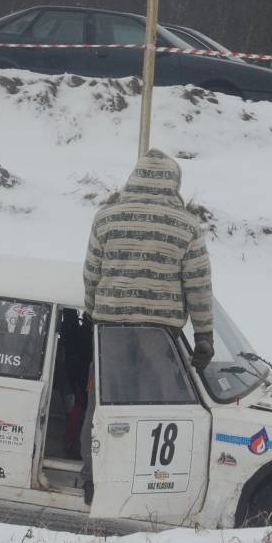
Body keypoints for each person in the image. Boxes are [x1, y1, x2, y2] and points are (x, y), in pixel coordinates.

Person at [80, 148, 215, 504]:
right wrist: (204, 337)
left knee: (103, 408)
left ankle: (94, 481)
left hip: (110, 334)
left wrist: (93, 314)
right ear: (173, 182)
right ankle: (148, 486)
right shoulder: (186, 226)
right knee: (155, 412)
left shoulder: (107, 218)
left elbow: (91, 273)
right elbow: (199, 285)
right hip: (161, 338)